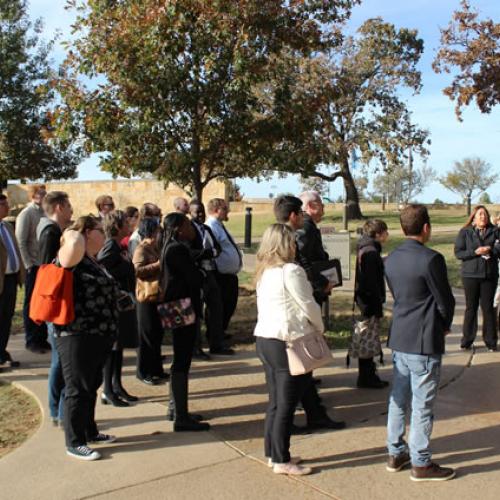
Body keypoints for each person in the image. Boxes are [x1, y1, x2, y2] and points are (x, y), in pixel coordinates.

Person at [385, 204, 456, 482]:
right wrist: (444, 324)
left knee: (399, 400)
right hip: (424, 339)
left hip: (401, 335)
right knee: (422, 404)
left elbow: (399, 294)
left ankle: (395, 451)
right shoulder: (431, 259)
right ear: (426, 227)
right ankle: (421, 462)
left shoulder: (390, 258)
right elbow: (445, 300)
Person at [254, 223, 322, 476]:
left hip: (266, 339)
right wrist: (320, 327)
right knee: (286, 404)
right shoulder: (291, 271)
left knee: (276, 402)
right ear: (284, 245)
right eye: (292, 242)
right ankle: (281, 459)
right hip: (287, 340)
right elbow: (308, 304)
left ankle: (274, 453)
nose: (295, 246)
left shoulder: (264, 271)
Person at [273, 195, 345, 433]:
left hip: (291, 313)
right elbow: (299, 273)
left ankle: (315, 414)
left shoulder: (287, 236)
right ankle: (291, 422)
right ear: (294, 215)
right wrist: (317, 289)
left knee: (301, 373)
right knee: (296, 373)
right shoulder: (290, 239)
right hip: (292, 317)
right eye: (300, 213)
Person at [56, 216, 118, 461]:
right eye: (99, 231)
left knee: (91, 385)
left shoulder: (91, 260)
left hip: (97, 333)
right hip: (76, 334)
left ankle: (89, 431)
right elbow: (71, 245)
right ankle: (74, 442)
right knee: (77, 388)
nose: (104, 235)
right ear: (86, 233)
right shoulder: (70, 256)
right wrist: (75, 232)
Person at [159, 213, 209, 431]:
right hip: (181, 306)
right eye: (188, 225)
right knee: (182, 360)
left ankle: (176, 409)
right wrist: (201, 273)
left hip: (176, 305)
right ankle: (181, 416)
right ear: (179, 228)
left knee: (181, 358)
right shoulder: (177, 249)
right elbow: (195, 277)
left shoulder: (170, 246)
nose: (192, 229)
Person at [37, 191, 73, 426]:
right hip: (56, 304)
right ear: (59, 207)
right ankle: (57, 411)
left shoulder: (54, 231)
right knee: (60, 361)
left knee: (60, 360)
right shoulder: (51, 232)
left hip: (59, 303)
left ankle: (58, 411)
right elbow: (51, 271)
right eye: (68, 206)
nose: (71, 210)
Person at [98, 211, 139, 406]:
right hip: (115, 303)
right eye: (126, 222)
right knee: (113, 348)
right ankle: (108, 390)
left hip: (123, 303)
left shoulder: (118, 246)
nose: (130, 224)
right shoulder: (110, 246)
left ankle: (117, 385)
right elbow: (103, 267)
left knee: (119, 346)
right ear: (117, 226)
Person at [189, 200, 234, 358]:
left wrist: (210, 252)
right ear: (190, 212)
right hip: (196, 275)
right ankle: (196, 348)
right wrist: (207, 253)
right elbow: (190, 252)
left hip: (210, 273)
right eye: (196, 211)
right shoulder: (188, 229)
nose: (200, 214)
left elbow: (217, 248)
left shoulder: (206, 228)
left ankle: (217, 344)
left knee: (216, 308)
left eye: (201, 211)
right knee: (197, 312)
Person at [454, 205, 500, 351]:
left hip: (489, 276)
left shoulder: (496, 231)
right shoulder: (465, 232)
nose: (483, 217)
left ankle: (491, 342)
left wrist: (491, 250)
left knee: (488, 309)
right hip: (470, 276)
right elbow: (459, 253)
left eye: (485, 214)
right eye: (480, 214)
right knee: (471, 308)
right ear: (473, 217)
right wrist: (475, 252)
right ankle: (467, 340)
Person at [354, 219, 389, 389]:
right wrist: (377, 306)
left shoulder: (365, 247)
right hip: (369, 303)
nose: (387, 235)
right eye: (385, 231)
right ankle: (366, 377)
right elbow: (371, 282)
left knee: (366, 339)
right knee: (368, 340)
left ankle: (367, 374)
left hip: (364, 301)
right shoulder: (371, 252)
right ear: (377, 234)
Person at [133, 218, 168, 385]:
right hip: (146, 297)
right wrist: (157, 265)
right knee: (146, 336)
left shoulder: (156, 247)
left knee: (157, 334)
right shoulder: (141, 249)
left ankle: (156, 369)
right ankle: (143, 371)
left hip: (158, 296)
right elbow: (137, 271)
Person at [15, 184, 49, 353]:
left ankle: (41, 338)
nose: (44, 195)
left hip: (44, 264)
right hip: (33, 266)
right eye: (41, 193)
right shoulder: (26, 214)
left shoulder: (44, 213)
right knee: (31, 303)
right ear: (33, 196)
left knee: (43, 302)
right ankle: (31, 339)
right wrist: (28, 264)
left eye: (45, 192)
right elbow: (21, 241)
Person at [206, 198, 242, 345]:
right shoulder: (211, 226)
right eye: (225, 209)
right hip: (219, 275)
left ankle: (221, 331)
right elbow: (210, 248)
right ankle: (214, 335)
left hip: (228, 276)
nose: (228, 211)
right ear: (216, 210)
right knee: (219, 307)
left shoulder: (219, 226)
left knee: (228, 305)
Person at [0, 194, 25, 369]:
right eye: (3, 204)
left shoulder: (7, 226)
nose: (7, 207)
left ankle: (2, 352)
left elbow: (15, 249)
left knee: (6, 318)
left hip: (11, 280)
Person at [296, 191, 333, 304]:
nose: (323, 210)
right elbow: (301, 257)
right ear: (311, 206)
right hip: (310, 288)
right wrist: (321, 283)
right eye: (322, 205)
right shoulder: (306, 227)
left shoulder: (306, 225)